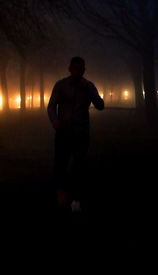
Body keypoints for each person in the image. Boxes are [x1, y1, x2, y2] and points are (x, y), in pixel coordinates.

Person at [47, 56, 104, 212]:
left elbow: (100, 105)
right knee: (60, 164)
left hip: (81, 133)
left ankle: (77, 198)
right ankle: (61, 194)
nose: (78, 72)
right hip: (63, 132)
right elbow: (51, 106)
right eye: (75, 68)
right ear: (70, 69)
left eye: (81, 69)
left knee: (80, 165)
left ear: (84, 70)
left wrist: (91, 91)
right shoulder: (61, 85)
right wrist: (54, 121)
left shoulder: (88, 86)